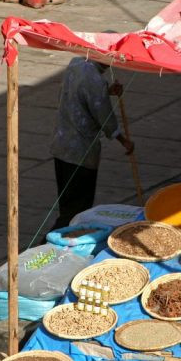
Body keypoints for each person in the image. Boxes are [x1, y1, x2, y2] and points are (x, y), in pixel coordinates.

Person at [49, 57, 134, 231]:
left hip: (61, 145)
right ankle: (47, 245)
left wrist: (106, 91)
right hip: (80, 152)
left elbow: (81, 94)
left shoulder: (75, 63)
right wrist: (123, 141)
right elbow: (105, 117)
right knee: (76, 210)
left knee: (66, 204)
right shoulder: (95, 80)